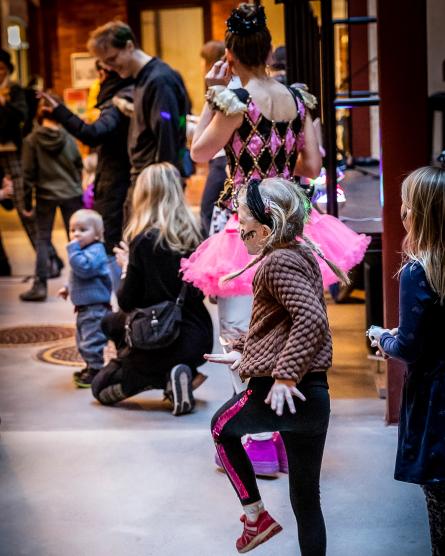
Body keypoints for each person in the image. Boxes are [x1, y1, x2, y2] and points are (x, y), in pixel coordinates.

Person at [181, 3, 369, 475]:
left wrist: (212, 94)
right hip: (293, 218)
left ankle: (255, 439)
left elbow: (200, 151)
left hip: (245, 220)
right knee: (288, 322)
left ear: (229, 52)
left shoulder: (234, 99)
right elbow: (310, 165)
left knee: (240, 329)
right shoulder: (295, 98)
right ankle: (284, 435)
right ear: (267, 50)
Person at [206, 177, 347, 554]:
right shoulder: (299, 257)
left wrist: (284, 375)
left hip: (279, 393)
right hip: (314, 400)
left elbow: (312, 319)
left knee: (221, 429)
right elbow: (282, 324)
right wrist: (244, 353)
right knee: (306, 501)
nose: (239, 229)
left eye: (243, 221)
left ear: (266, 228)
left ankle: (255, 518)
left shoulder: (277, 262)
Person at [91, 162, 213, 416]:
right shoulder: (197, 232)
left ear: (144, 195)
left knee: (100, 387)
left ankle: (162, 376)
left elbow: (127, 301)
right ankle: (181, 375)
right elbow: (201, 290)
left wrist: (126, 266)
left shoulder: (143, 240)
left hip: (157, 338)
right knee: (111, 323)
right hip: (197, 337)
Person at [367, 162, 445, 556]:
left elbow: (410, 348)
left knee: (440, 501)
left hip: (437, 399)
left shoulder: (420, 271)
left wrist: (384, 339)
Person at [40, 64, 134, 291]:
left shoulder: (116, 105)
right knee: (111, 242)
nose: (97, 81)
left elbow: (91, 134)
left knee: (110, 243)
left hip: (116, 186)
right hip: (112, 183)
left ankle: (113, 302)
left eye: (101, 74)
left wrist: (60, 111)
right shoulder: (121, 99)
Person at [87, 21, 191, 194]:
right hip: (146, 178)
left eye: (112, 59)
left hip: (156, 183)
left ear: (129, 46)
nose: (109, 67)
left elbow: (167, 132)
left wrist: (163, 186)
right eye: (105, 63)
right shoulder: (143, 78)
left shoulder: (159, 80)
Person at [19, 97, 84, 301]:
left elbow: (28, 175)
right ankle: (80, 284)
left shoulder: (31, 140)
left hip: (46, 195)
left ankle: (40, 286)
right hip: (71, 193)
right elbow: (77, 164)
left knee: (43, 240)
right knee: (76, 239)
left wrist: (27, 202)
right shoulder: (67, 137)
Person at [59, 209, 112, 388]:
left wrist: (72, 249)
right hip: (84, 308)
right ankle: (90, 366)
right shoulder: (82, 251)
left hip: (95, 308)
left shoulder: (96, 250)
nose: (76, 234)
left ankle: (96, 370)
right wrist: (67, 288)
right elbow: (76, 275)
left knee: (92, 341)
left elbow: (85, 269)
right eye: (72, 230)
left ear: (97, 234)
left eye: (83, 230)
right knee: (82, 340)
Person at [198, 40, 228, 236]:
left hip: (222, 157)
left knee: (208, 211)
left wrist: (213, 92)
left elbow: (197, 151)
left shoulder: (226, 92)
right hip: (222, 158)